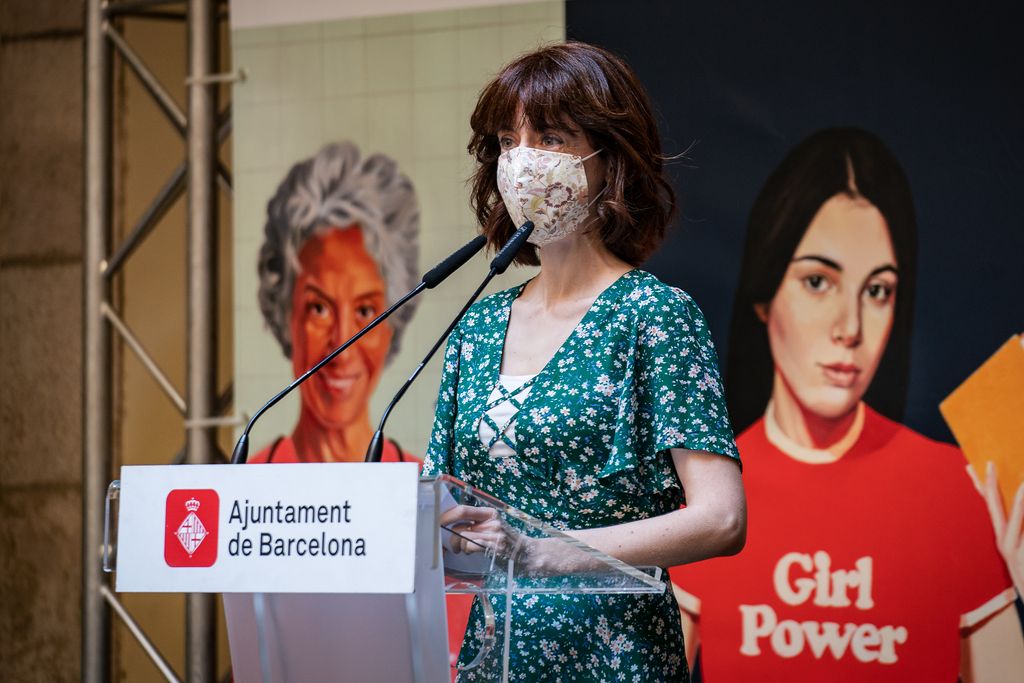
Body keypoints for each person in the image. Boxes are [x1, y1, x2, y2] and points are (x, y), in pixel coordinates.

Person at [422, 43, 747, 682]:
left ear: (610, 160)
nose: (523, 162)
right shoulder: (477, 326)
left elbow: (722, 517)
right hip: (494, 661)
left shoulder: (654, 315)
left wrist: (547, 554)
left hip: (616, 660)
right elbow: (446, 515)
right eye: (508, 141)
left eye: (550, 137)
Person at [670, 128, 1024, 681]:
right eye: (818, 280)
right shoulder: (710, 491)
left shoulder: (955, 486)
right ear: (765, 293)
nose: (851, 328)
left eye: (877, 290)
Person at [249, 142, 420, 464]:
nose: (343, 344)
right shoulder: (245, 484)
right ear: (284, 314)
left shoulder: (420, 487)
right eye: (319, 308)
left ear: (391, 330)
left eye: (365, 311)